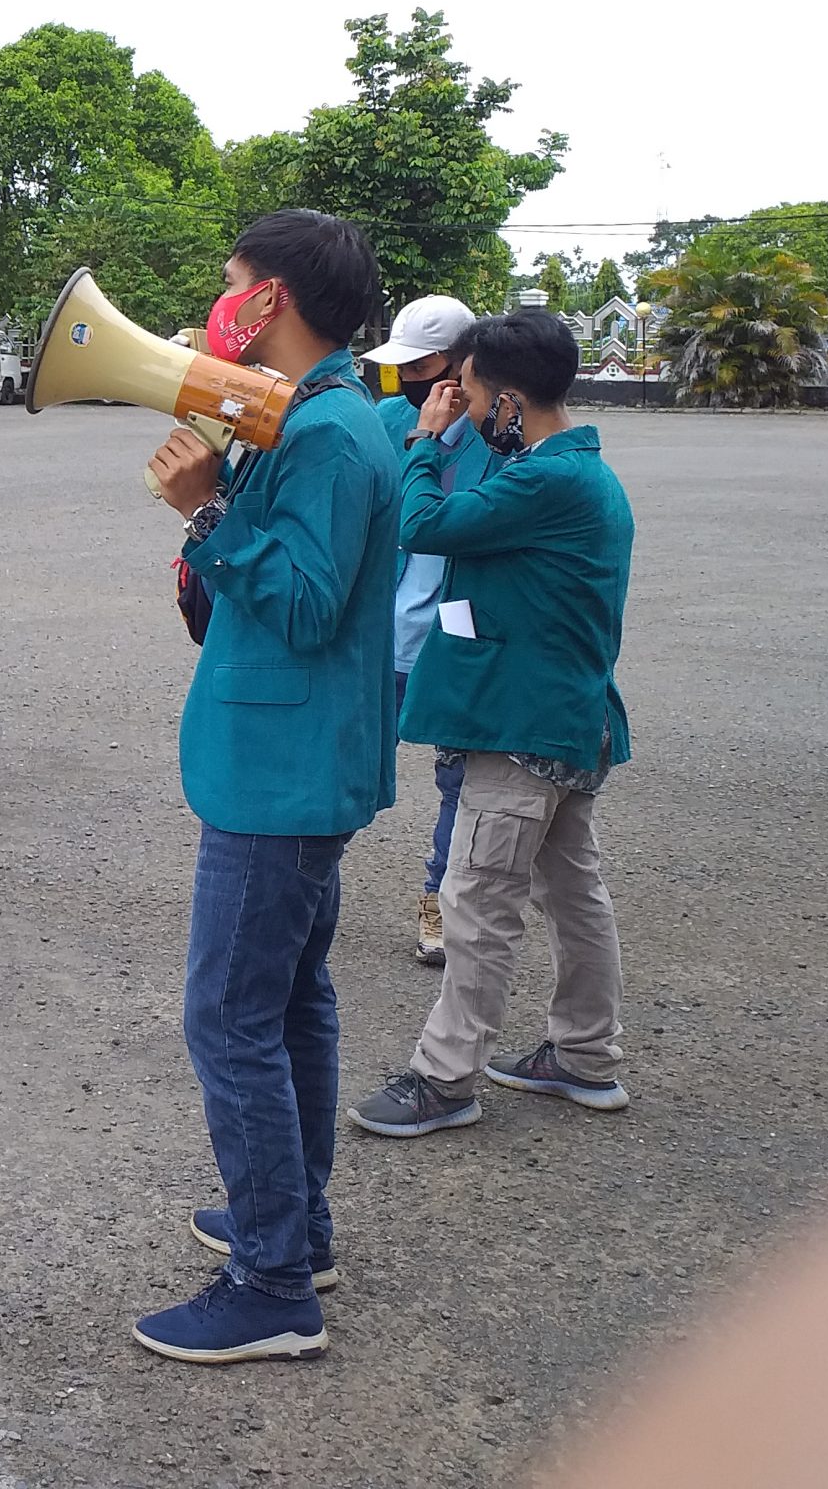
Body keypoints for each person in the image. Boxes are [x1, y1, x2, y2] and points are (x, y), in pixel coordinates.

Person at [134, 209, 397, 1365]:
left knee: (228, 1020)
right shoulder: (309, 416)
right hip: (290, 760)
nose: (219, 306)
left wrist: (205, 509)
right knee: (290, 1004)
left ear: (274, 299)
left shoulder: (332, 434)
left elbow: (299, 605)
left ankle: (272, 1284)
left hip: (280, 771)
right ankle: (293, 1224)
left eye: (232, 287)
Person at [350, 309, 636, 1140]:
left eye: (470, 393)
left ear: (509, 402)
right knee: (575, 894)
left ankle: (445, 1079)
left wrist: (425, 446)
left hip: (522, 731)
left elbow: (424, 527)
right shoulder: (579, 473)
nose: (460, 406)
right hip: (568, 721)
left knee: (477, 900)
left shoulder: (544, 482)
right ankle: (583, 1054)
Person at [365, 297, 500, 963]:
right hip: (378, 633)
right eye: (401, 368)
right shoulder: (387, 418)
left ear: (460, 368)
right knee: (351, 769)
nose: (407, 381)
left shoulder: (496, 441)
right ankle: (303, 889)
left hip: (453, 641)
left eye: (421, 368)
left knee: (458, 787)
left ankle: (435, 914)